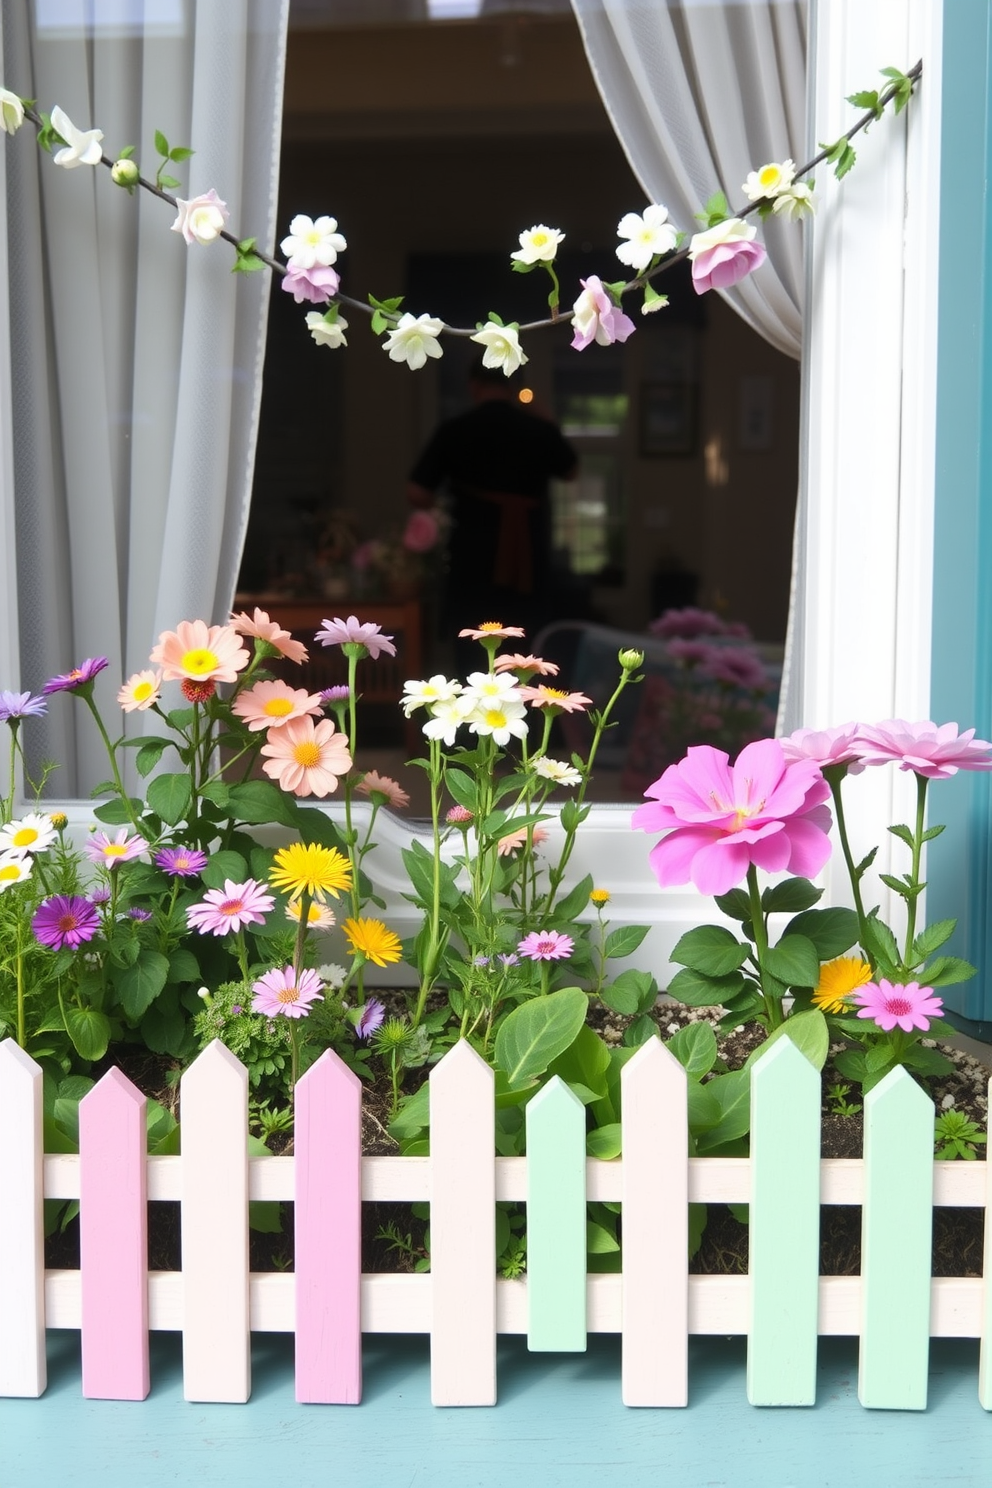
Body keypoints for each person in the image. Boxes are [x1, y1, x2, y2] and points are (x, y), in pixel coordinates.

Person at [407, 358, 577, 647]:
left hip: (472, 551)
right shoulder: (538, 428)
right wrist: (547, 421)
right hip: (528, 554)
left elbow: (417, 492)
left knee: (471, 635)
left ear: (473, 386)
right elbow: (571, 471)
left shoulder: (455, 430)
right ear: (512, 386)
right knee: (526, 641)